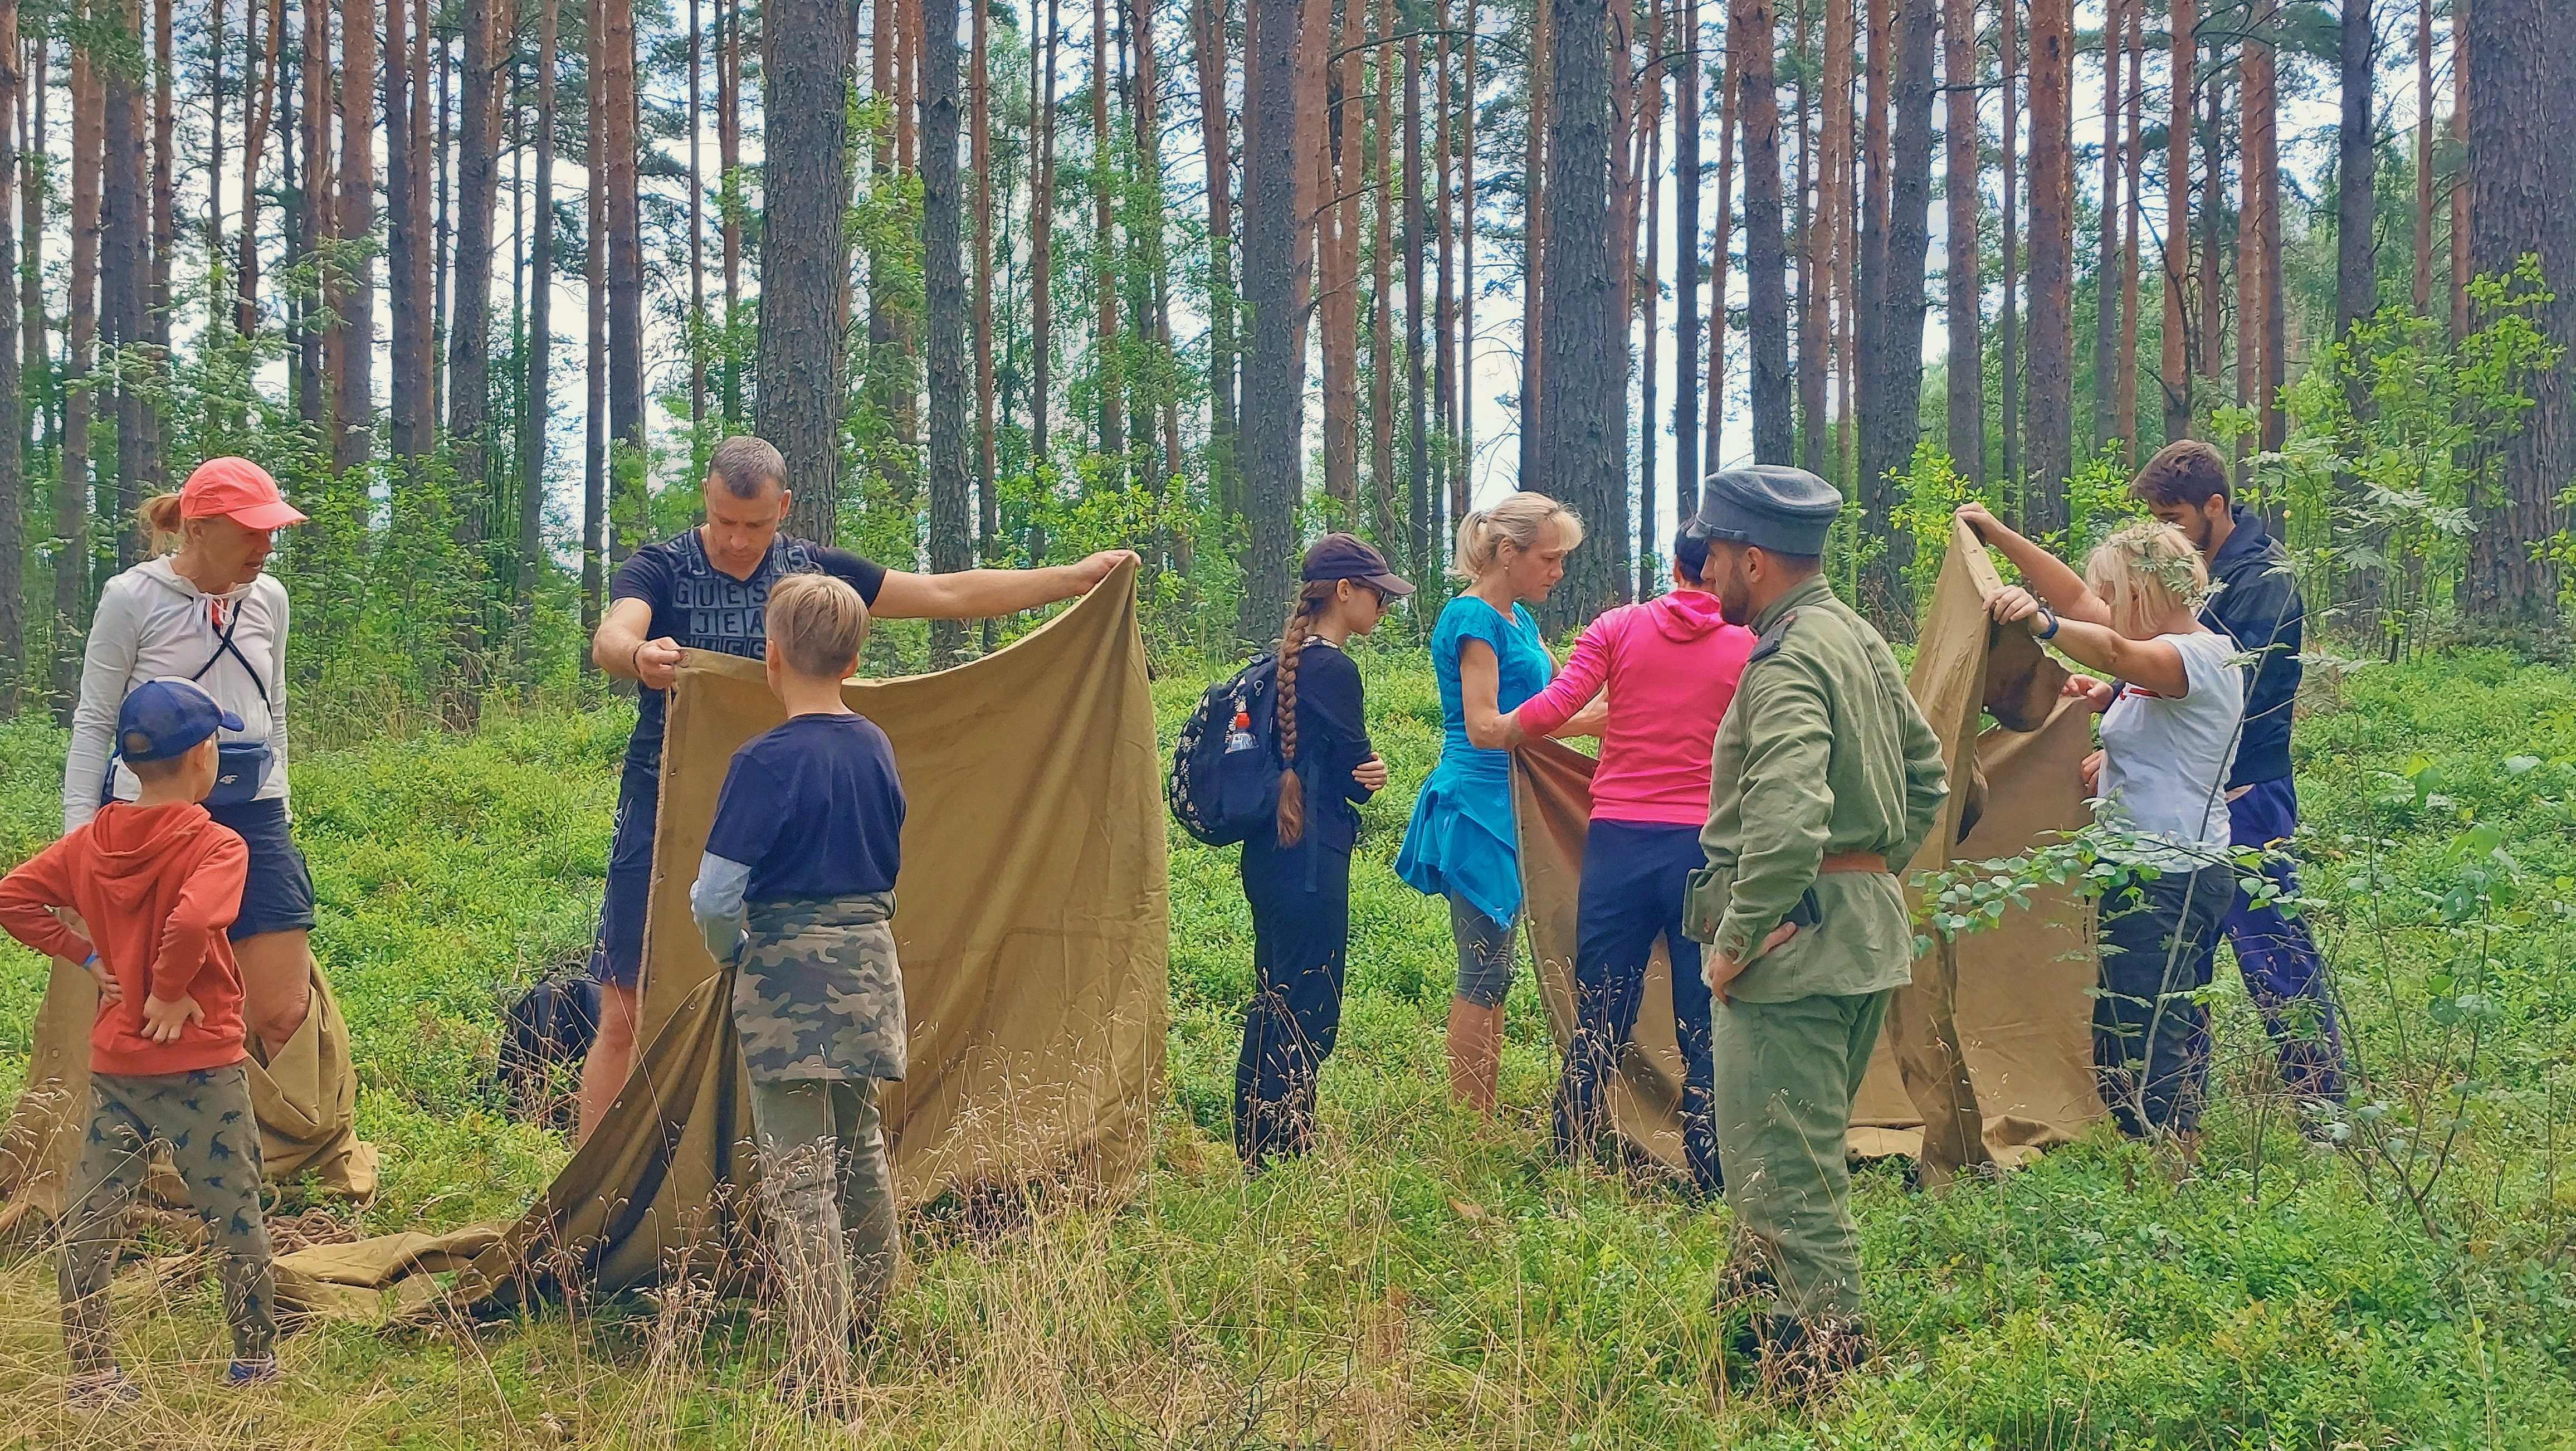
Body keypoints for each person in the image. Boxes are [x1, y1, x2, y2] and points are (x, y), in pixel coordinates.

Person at [580, 435, 1135, 1141]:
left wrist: (1069, 579)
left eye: (756, 525)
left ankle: (747, 1171)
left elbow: (945, 593)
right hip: (665, 807)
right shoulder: (661, 569)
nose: (739, 540)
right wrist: (637, 653)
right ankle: (591, 1200)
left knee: (772, 997)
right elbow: (611, 635)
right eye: (725, 521)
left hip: (785, 820)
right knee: (625, 1007)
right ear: (708, 498)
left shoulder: (811, 573)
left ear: (784, 507)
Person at [1681, 466, 1948, 1388]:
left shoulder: (1789, 653)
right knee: (1774, 1163)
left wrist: (1737, 938)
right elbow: (1928, 778)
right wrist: (1863, 879)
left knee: (1790, 1183)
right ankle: (1740, 1356)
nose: (1703, 569)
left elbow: (1788, 819)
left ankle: (1820, 1384)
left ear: (1751, 558)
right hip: (1855, 936)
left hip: (1790, 953)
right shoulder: (1857, 636)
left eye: (1712, 554)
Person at [0, 679, 281, 1405]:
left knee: (91, 1214)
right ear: (203, 757)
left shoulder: (91, 842)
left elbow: (12, 897)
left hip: (118, 1063)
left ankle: (91, 1373)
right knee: (233, 1206)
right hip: (200, 1066)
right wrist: (168, 987)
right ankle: (254, 1360)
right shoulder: (217, 844)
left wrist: (92, 962)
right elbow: (191, 924)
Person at [1960, 504, 2245, 1147]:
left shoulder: (2196, 657)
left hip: (2171, 875)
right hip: (2146, 870)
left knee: (2148, 1040)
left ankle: (2172, 1173)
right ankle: (2161, 1163)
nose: (2105, 605)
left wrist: (2042, 623)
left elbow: (2110, 643)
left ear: (2143, 593)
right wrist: (2001, 536)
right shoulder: (2163, 654)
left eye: (2116, 594)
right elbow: (2081, 604)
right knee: (2133, 1032)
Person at [687, 574, 906, 1408]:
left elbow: (714, 896)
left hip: (785, 973)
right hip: (870, 965)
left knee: (802, 1174)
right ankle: (874, 1320)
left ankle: (823, 1370)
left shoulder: (763, 760)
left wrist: (733, 951)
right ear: (856, 657)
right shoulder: (877, 745)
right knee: (863, 1149)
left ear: (771, 657)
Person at [1505, 524, 1755, 1194]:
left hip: (1617, 840)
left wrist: (1497, 732)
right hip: (1701, 848)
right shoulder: (1749, 645)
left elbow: (1559, 706)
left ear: (1673, 564)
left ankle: (1569, 1148)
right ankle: (1709, 1171)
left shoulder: (1616, 627)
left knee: (1603, 1004)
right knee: (1702, 1009)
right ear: (1726, 568)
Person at [64, 457, 316, 1061]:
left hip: (253, 815)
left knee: (285, 1012)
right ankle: (155, 1152)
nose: (266, 545)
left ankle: (274, 1146)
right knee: (152, 1009)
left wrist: (279, 801)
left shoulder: (270, 600)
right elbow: (95, 719)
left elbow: (273, 708)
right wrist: (78, 844)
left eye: (272, 530)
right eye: (252, 530)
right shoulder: (132, 598)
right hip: (150, 820)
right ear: (199, 527)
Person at [2129, 440, 2344, 1108]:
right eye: (2156, 520)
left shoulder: (2264, 577)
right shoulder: (2187, 568)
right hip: (2188, 788)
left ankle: (2323, 1105)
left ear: (2214, 506)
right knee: (2183, 949)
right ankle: (2179, 1107)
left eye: (2174, 518)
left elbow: (2240, 690)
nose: (2165, 533)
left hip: (2247, 787)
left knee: (2271, 946)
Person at [1394, 493, 1599, 1113]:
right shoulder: (1471, 619)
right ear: (1507, 553)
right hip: (1479, 803)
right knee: (1483, 966)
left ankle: (1481, 1107)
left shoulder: (1521, 621)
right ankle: (1469, 1120)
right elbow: (1486, 727)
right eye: (1549, 558)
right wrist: (1588, 721)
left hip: (1515, 798)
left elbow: (1558, 699)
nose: (1557, 572)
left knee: (1500, 966)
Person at [1233, 535, 1409, 1167]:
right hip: (1311, 858)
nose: (1383, 610)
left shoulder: (1286, 661)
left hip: (1267, 855)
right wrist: (1371, 773)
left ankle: (1256, 1145)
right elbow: (1353, 770)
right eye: (1378, 596)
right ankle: (1288, 1143)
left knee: (1272, 993)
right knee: (1311, 998)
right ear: (1344, 592)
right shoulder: (1332, 668)